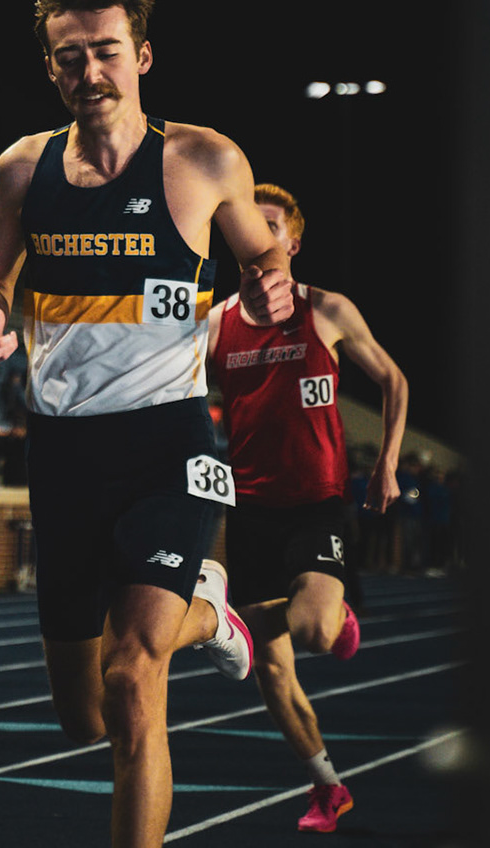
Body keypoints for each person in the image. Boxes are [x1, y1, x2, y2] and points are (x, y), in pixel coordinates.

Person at [0, 0, 295, 847]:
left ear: (143, 56)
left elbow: (265, 257)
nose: (91, 72)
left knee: (131, 675)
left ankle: (188, 610)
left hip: (169, 442)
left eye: (107, 51)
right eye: (70, 57)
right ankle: (209, 610)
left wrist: (270, 287)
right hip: (62, 452)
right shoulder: (21, 169)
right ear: (50, 67)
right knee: (83, 718)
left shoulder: (204, 160)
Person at [207, 182, 406, 834]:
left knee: (314, 633)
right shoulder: (215, 324)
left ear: (291, 243)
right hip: (249, 509)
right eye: (245, 224)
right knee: (267, 668)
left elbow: (394, 380)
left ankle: (335, 614)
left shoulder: (327, 310)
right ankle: (328, 785)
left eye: (268, 226)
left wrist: (387, 463)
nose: (254, 236)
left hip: (316, 505)